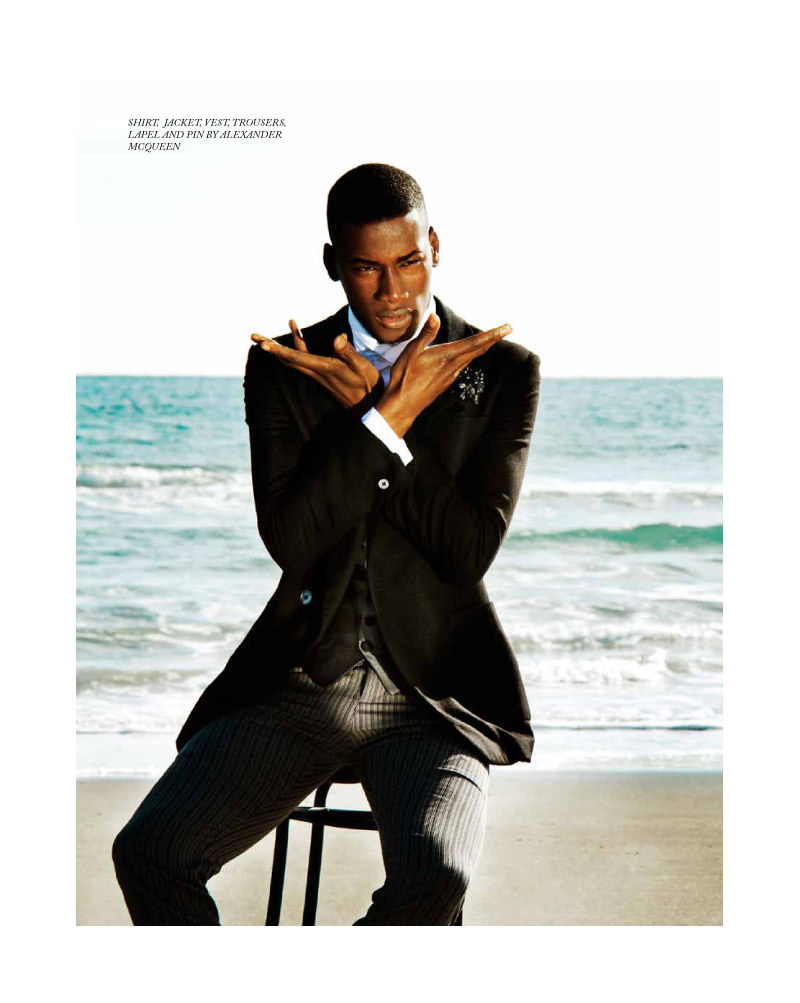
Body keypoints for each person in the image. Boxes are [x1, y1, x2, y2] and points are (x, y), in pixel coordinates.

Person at [112, 163, 541, 925]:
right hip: (299, 683)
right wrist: (382, 420)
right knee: (149, 852)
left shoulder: (503, 369)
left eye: (409, 261)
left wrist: (379, 421)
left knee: (438, 875)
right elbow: (292, 538)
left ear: (435, 246)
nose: (393, 290)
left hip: (434, 700)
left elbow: (467, 550)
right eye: (367, 268)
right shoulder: (283, 365)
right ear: (333, 263)